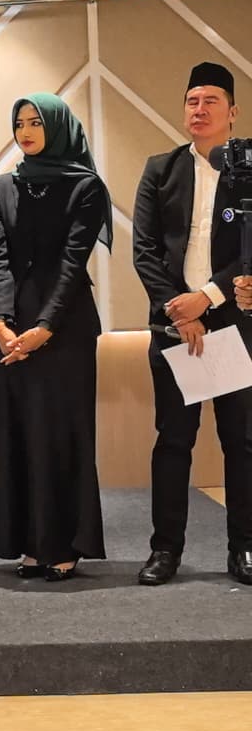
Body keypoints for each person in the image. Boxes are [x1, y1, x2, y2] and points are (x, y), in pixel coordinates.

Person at [133, 62, 251, 586]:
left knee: (241, 443)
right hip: (174, 327)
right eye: (192, 101)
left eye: (210, 101)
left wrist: (206, 298)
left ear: (233, 111)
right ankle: (165, 551)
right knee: (172, 443)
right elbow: (145, 250)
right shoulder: (160, 169)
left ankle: (243, 548)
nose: (199, 110)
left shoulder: (248, 170)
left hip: (232, 326)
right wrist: (180, 311)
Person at [0, 94, 111, 581]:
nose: (26, 131)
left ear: (57, 126)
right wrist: (0, 321)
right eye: (19, 123)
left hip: (66, 327)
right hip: (13, 326)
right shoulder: (3, 186)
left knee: (62, 435)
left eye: (36, 122)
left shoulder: (85, 186)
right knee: (20, 434)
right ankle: (31, 543)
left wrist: (45, 327)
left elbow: (73, 262)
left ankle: (64, 544)